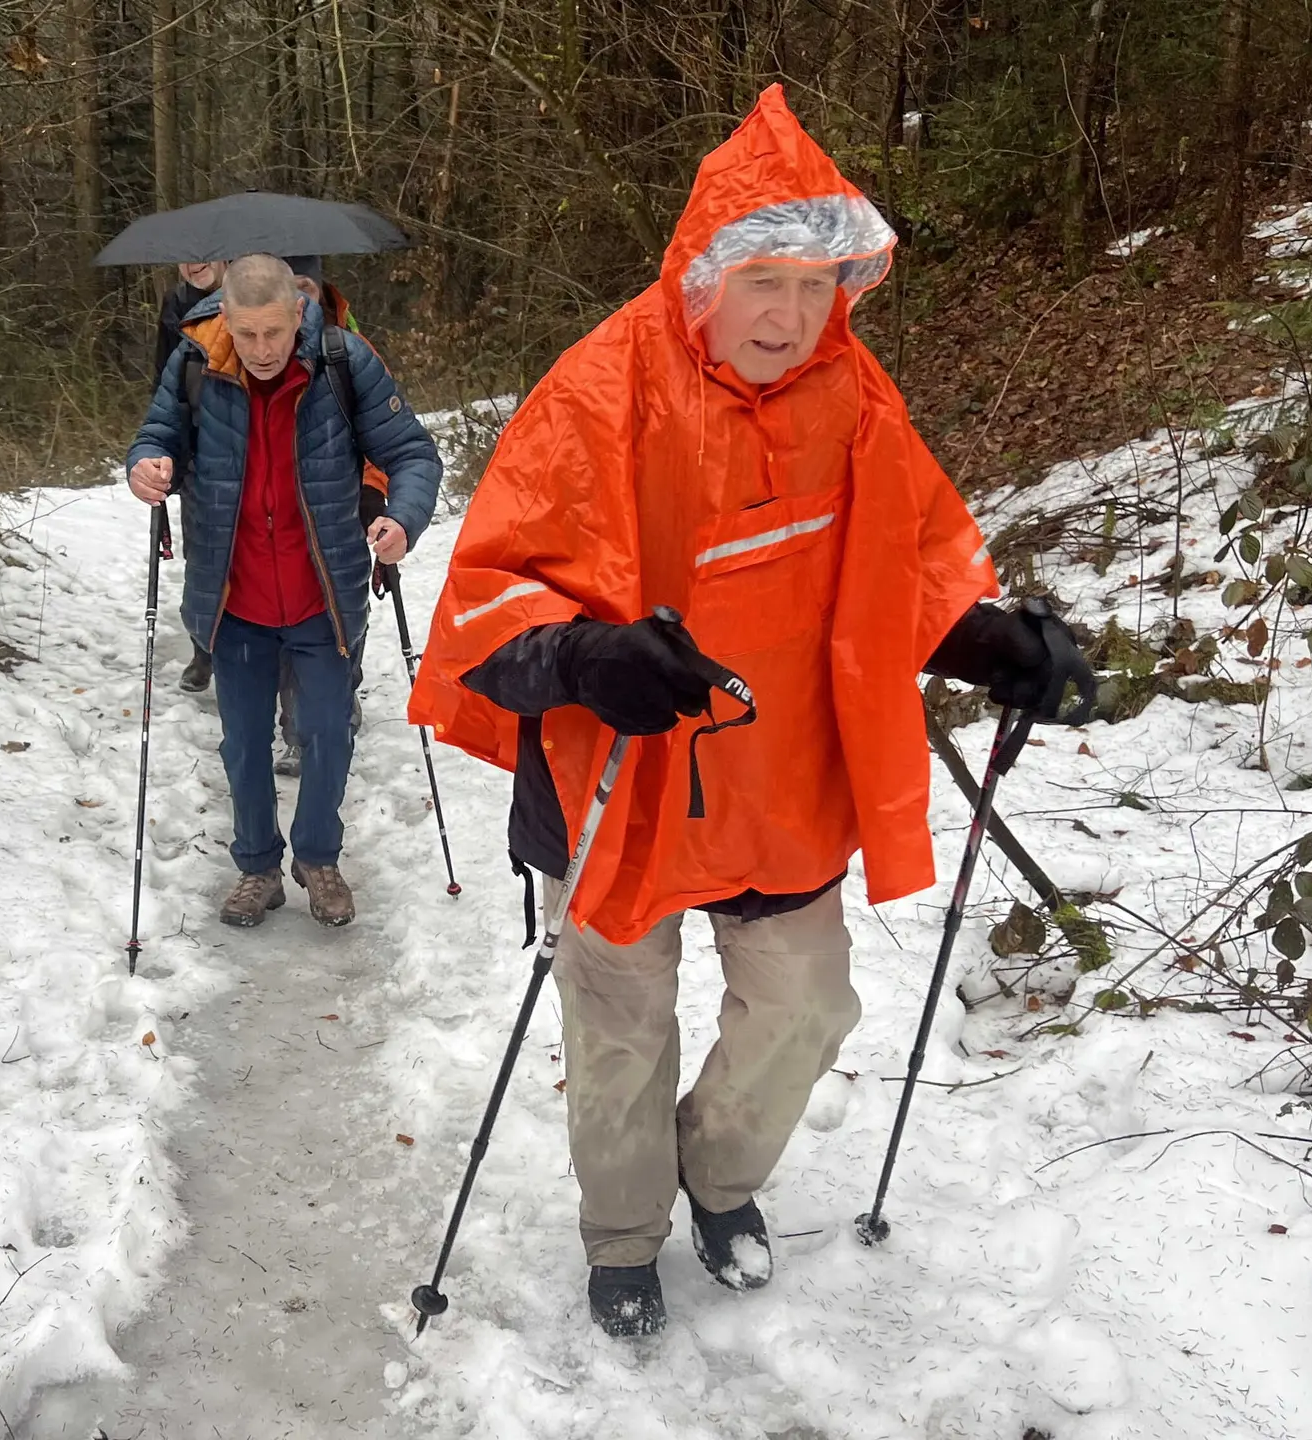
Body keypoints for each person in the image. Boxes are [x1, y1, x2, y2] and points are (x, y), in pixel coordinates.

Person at [408, 87, 1088, 1337]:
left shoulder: (854, 394)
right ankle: (623, 1236)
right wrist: (583, 656)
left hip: (785, 782)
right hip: (623, 779)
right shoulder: (601, 388)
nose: (788, 315)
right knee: (621, 1036)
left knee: (807, 1008)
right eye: (762, 281)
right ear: (707, 277)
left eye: (816, 284)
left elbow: (911, 559)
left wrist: (989, 639)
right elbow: (486, 604)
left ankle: (718, 1181)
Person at [129, 253, 441, 928]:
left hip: (321, 595)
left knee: (327, 732)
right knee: (242, 743)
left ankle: (318, 859)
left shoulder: (341, 361)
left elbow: (413, 453)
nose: (263, 350)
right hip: (234, 598)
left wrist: (402, 519)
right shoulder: (195, 362)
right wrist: (148, 467)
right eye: (248, 335)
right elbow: (158, 436)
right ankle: (257, 869)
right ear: (226, 320)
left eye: (274, 333)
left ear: (297, 313)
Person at [272, 255, 387, 776]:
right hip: (282, 521)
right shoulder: (262, 349)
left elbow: (385, 436)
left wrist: (375, 492)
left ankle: (343, 694)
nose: (299, 299)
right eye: (287, 287)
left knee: (345, 619)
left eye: (306, 286)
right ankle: (297, 729)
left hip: (343, 510)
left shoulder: (349, 349)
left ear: (321, 289)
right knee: (286, 628)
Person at [156, 260, 227, 695]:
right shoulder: (175, 304)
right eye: (185, 253)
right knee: (201, 557)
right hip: (197, 451)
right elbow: (162, 381)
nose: (194, 260)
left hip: (240, 447)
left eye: (206, 251)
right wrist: (164, 448)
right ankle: (204, 651)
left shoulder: (250, 293)